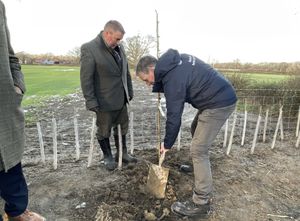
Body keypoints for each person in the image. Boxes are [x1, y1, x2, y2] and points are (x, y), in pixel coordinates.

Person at [136, 49, 237, 218]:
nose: (148, 84)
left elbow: (174, 116)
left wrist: (167, 144)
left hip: (219, 103)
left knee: (198, 150)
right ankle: (198, 168)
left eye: (146, 80)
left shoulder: (172, 78)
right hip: (215, 98)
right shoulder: (175, 63)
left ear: (152, 69)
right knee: (195, 128)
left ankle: (201, 203)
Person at [0, 1, 45, 221]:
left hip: (4, 106)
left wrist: (18, 85)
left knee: (10, 161)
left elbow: (9, 55)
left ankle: (17, 212)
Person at [80, 20, 137, 171]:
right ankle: (108, 156)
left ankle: (122, 153)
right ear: (107, 33)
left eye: (120, 40)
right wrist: (90, 101)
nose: (119, 42)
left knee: (122, 127)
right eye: (117, 39)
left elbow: (125, 71)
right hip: (103, 101)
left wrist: (129, 91)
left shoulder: (119, 47)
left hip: (121, 98)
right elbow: (86, 78)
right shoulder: (90, 48)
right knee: (104, 130)